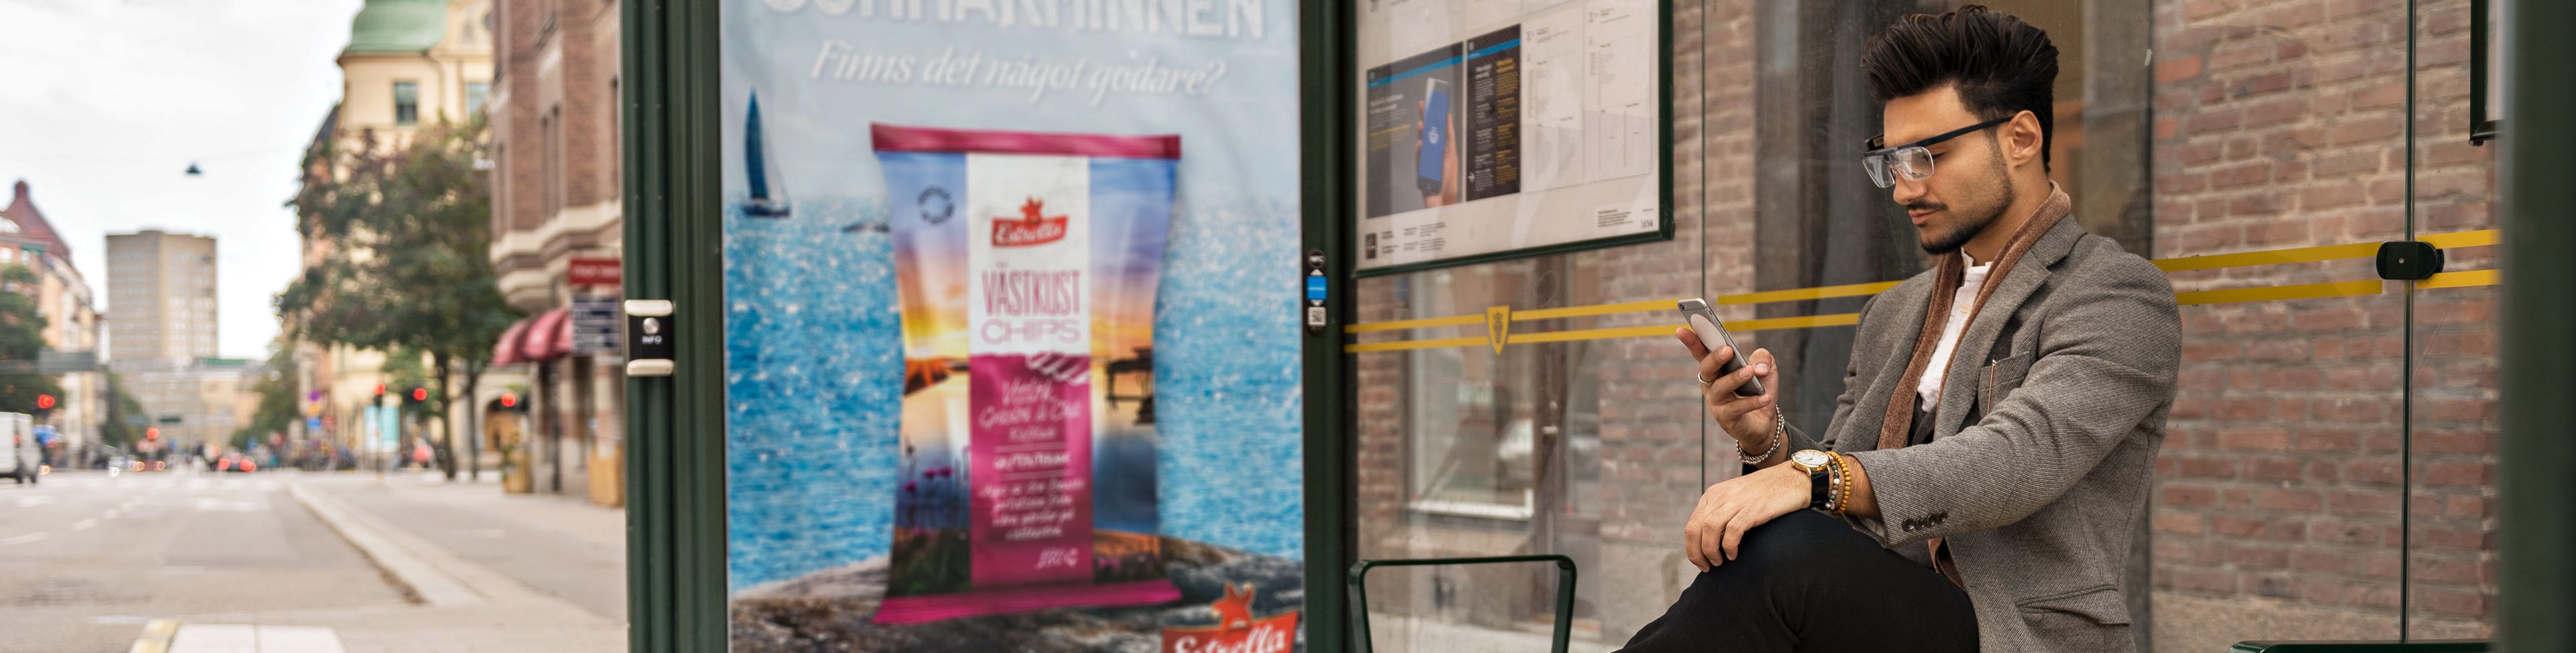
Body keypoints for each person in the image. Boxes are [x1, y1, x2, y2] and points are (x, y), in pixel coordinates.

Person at [1617, 6, 2181, 653]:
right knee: (1780, 543)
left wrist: (1814, 477)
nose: (1904, 188)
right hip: (1883, 613)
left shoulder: (2116, 294)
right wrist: (1767, 440)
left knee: (1792, 550)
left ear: (2021, 139)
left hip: (2016, 633)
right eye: (1892, 162)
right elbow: (1844, 491)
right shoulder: (1895, 314)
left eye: (1929, 157)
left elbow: (2017, 458)